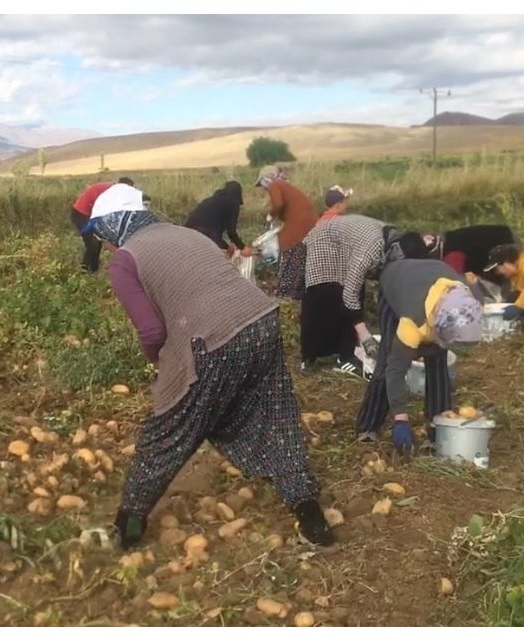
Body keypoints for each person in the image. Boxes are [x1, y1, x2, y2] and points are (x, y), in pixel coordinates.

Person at [82, 183, 336, 550]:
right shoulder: (187, 234)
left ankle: (127, 530)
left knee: (166, 434)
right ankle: (312, 517)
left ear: (113, 225)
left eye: (102, 234)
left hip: (214, 340)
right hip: (261, 320)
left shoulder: (126, 259)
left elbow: (152, 331)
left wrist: (165, 365)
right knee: (275, 417)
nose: (104, 245)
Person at [354, 254, 484, 450]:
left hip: (432, 277)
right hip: (396, 281)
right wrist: (401, 418)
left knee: (438, 362)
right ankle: (368, 426)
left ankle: (437, 433)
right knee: (388, 360)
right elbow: (395, 370)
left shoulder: (472, 302)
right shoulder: (412, 322)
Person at [300, 214, 429, 379]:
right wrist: (365, 336)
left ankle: (345, 354)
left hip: (349, 242)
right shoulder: (371, 249)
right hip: (325, 240)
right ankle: (310, 358)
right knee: (324, 295)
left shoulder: (397, 244)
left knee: (354, 295)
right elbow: (349, 294)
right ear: (397, 254)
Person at [257, 165, 318, 300]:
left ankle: (286, 295)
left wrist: (271, 216)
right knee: (300, 256)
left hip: (300, 225)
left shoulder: (275, 185)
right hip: (308, 224)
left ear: (266, 179)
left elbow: (278, 204)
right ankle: (299, 293)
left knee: (288, 249)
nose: (264, 188)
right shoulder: (285, 186)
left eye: (262, 184)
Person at [69, 176, 134, 273]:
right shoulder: (109, 193)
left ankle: (94, 271)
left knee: (97, 242)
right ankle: (84, 270)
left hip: (89, 215)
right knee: (93, 243)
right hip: (80, 214)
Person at [422, 224, 517, 283]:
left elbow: (456, 281)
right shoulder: (451, 238)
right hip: (502, 236)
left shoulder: (453, 254)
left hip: (501, 246)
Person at [184, 180, 250, 257]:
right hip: (204, 235)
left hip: (186, 234)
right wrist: (242, 247)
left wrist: (226, 246)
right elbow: (231, 232)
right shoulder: (233, 202)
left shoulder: (209, 200)